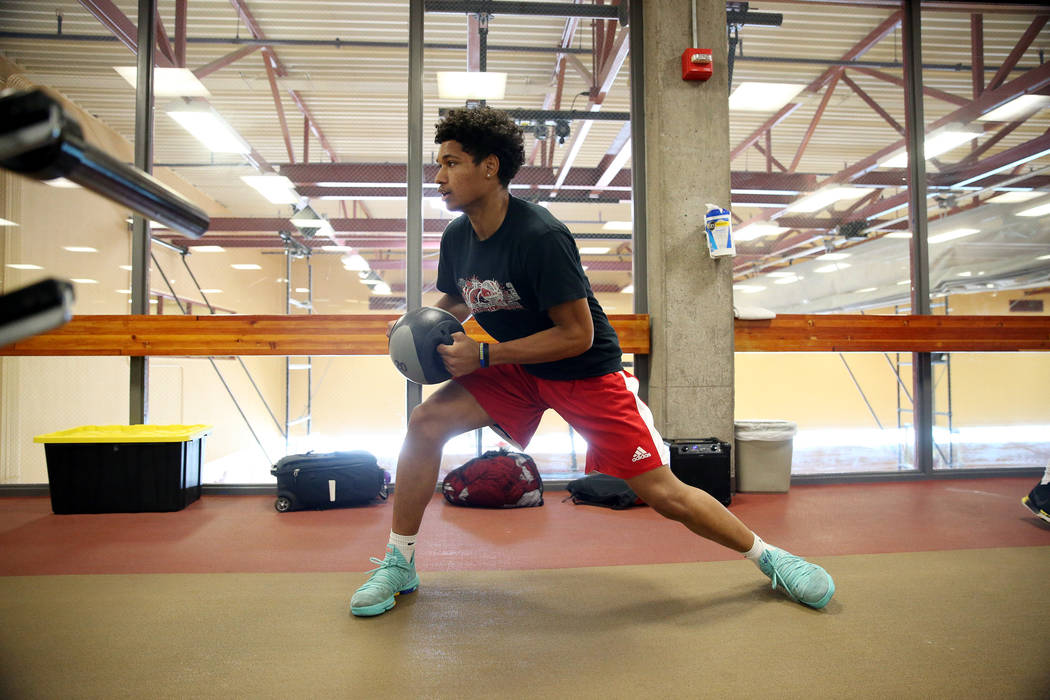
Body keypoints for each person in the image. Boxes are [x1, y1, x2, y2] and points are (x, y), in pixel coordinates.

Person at [350, 107, 835, 617]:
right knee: (426, 423)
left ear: (489, 167)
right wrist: (415, 322)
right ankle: (399, 563)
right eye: (438, 163)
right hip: (519, 368)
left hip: (582, 370)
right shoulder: (458, 235)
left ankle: (773, 558)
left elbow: (576, 335)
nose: (439, 176)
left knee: (662, 493)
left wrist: (486, 352)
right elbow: (457, 298)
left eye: (450, 163)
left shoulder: (541, 237)